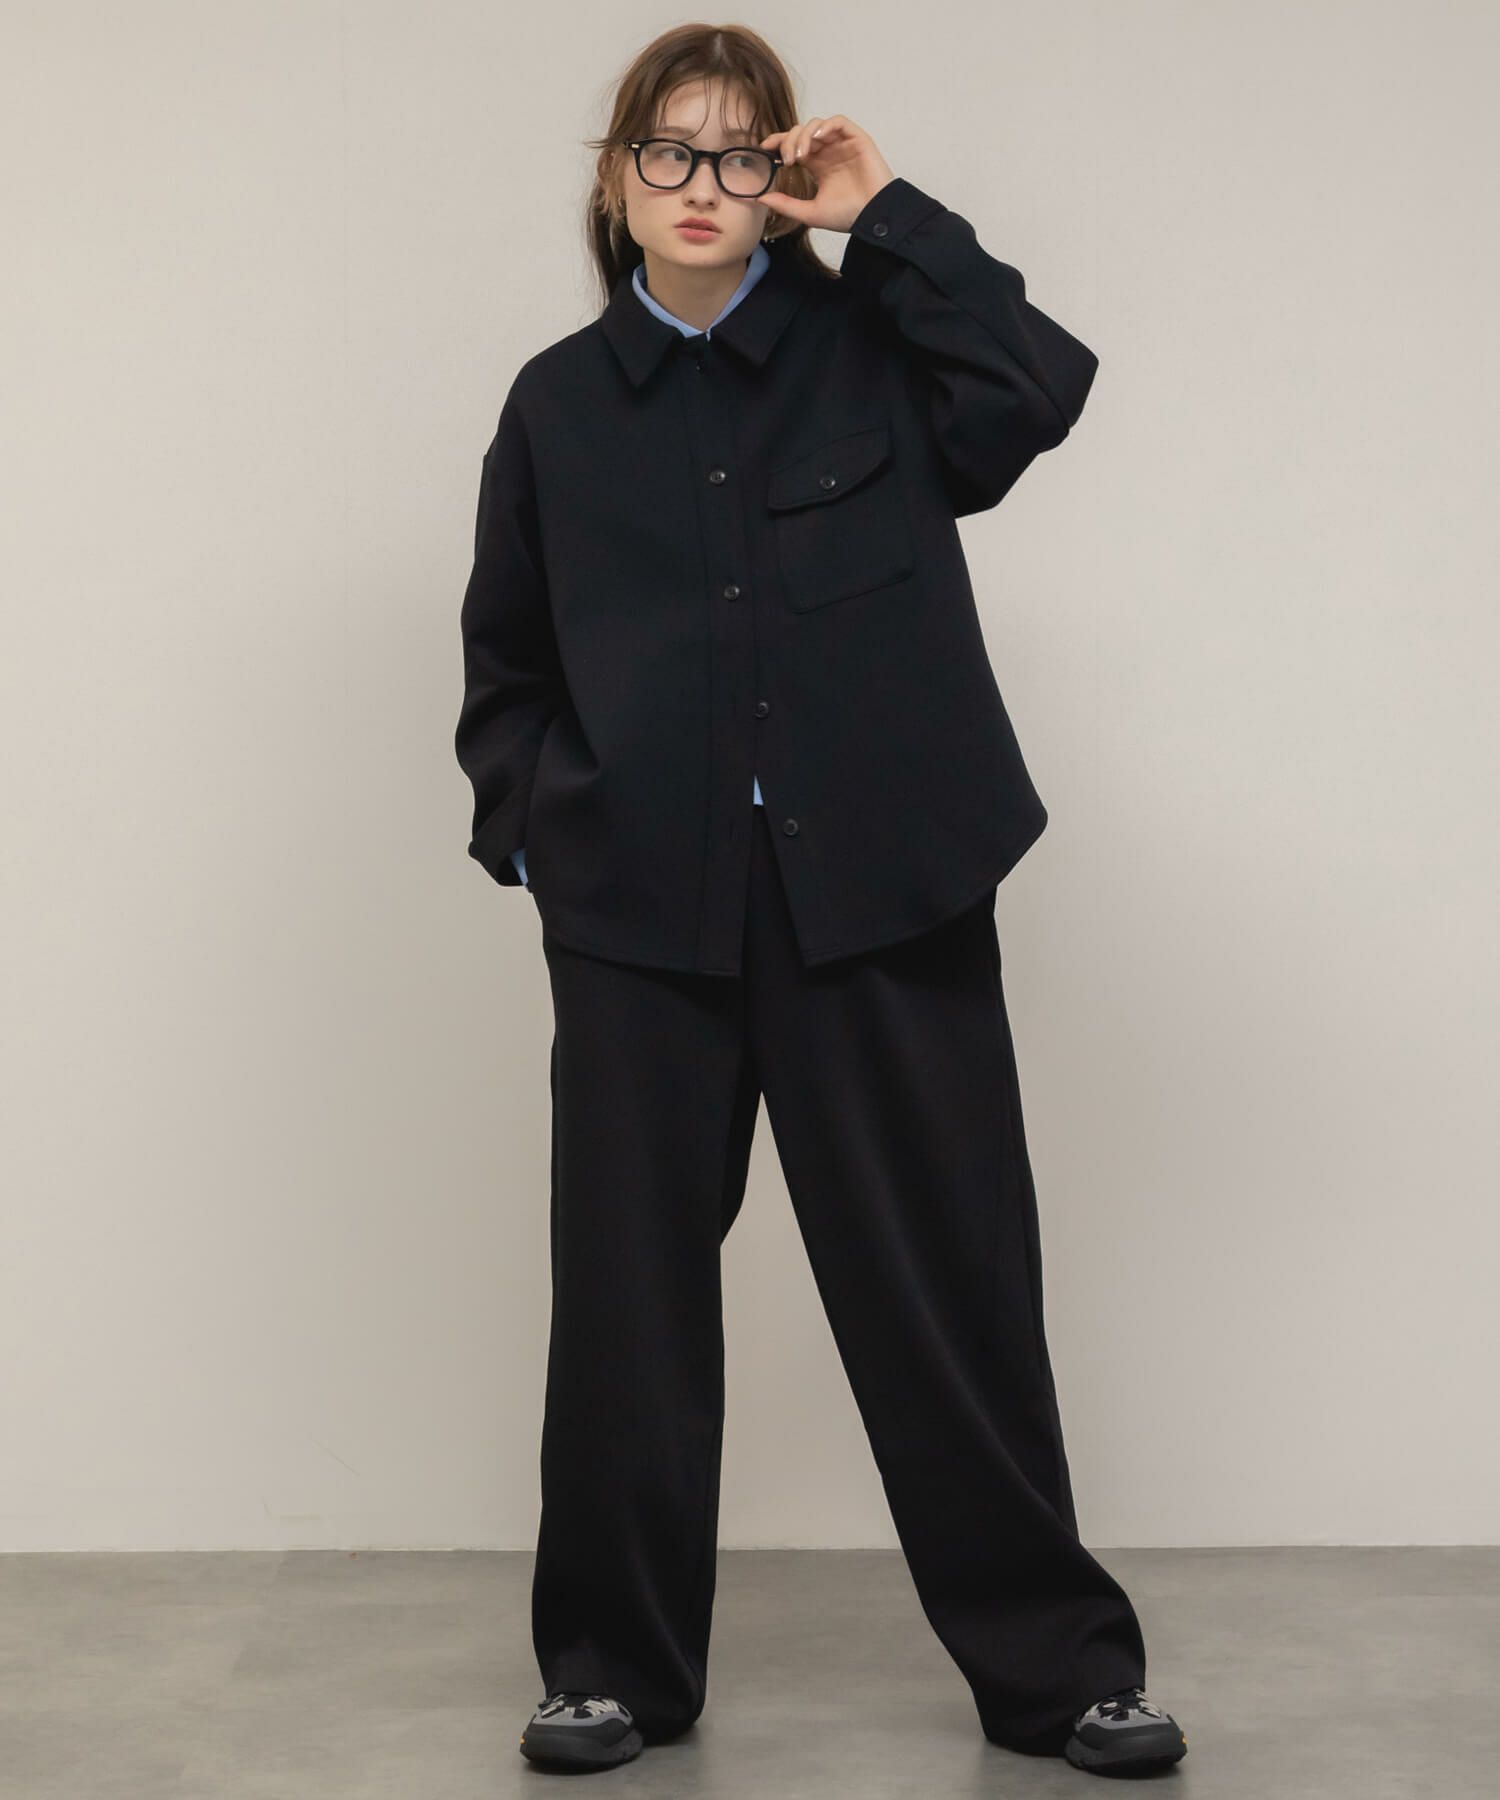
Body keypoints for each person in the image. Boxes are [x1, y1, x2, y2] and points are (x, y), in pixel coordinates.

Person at [454, 22, 1188, 1780]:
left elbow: (1036, 387)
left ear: (781, 174)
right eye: (667, 151)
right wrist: (547, 835)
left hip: (885, 894)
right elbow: (505, 669)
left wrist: (886, 212)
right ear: (616, 180)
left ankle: (1060, 1673)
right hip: (643, 920)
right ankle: (611, 1670)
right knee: (627, 1304)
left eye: (739, 153)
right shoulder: (556, 408)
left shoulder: (876, 350)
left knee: (952, 1289)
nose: (701, 185)